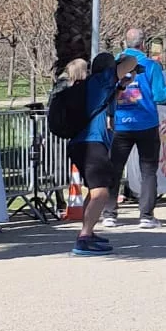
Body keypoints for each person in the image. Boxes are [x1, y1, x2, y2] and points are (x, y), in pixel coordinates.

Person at [101, 29, 166, 231]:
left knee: (114, 168)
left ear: (125, 43)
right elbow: (160, 95)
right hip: (146, 122)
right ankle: (146, 216)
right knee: (148, 170)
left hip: (119, 123)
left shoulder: (113, 65)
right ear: (143, 45)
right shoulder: (151, 65)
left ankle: (109, 214)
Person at [68, 50, 121, 255]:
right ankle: (83, 237)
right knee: (101, 193)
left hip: (85, 142)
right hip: (92, 142)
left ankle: (87, 233)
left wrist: (123, 84)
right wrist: (129, 64)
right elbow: (128, 62)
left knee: (94, 190)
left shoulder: (98, 87)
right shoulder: (101, 80)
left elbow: (109, 100)